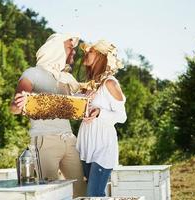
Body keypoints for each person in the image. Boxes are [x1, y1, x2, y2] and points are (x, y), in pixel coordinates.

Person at [10, 33, 86, 197]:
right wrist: (20, 103)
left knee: (81, 191)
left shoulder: (66, 80)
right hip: (44, 141)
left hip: (69, 140)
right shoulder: (32, 73)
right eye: (69, 48)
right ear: (56, 49)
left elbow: (81, 103)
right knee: (49, 194)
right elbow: (14, 108)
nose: (73, 52)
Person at [76, 40, 127, 197]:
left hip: (103, 147)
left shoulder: (110, 83)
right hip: (85, 146)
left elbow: (122, 117)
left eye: (90, 51)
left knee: (94, 194)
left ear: (101, 56)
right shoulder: (89, 86)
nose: (85, 53)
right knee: (95, 195)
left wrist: (100, 112)